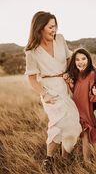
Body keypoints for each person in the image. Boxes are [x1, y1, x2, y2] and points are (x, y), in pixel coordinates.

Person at [24, 11, 82, 171]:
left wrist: (72, 74)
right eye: (50, 27)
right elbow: (32, 79)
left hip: (66, 85)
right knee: (59, 123)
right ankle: (49, 159)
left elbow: (70, 58)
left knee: (72, 124)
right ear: (40, 28)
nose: (54, 30)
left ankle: (64, 157)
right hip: (49, 90)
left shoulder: (60, 39)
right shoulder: (31, 51)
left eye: (55, 26)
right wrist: (44, 94)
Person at [65, 48, 96, 161]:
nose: (80, 62)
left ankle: (88, 162)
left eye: (83, 58)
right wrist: (69, 83)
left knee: (87, 134)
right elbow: (76, 92)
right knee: (80, 135)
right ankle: (66, 159)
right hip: (76, 109)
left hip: (86, 109)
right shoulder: (77, 74)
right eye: (77, 59)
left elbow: (95, 94)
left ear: (88, 59)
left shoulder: (92, 74)